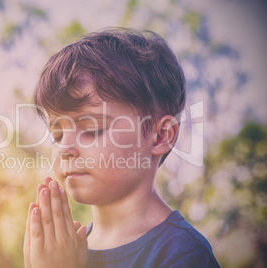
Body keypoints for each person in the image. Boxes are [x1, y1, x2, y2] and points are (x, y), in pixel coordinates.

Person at [23, 28, 220, 267]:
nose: (65, 148)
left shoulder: (182, 253)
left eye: (91, 129)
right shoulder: (65, 250)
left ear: (159, 136)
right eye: (57, 133)